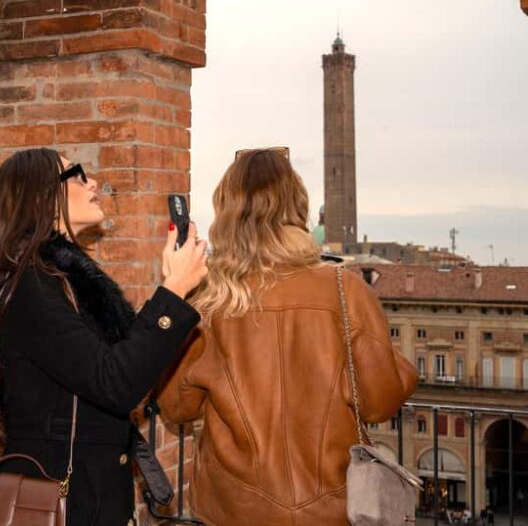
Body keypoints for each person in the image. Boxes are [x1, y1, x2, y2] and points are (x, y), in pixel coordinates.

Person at [157, 148, 419, 526]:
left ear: (226, 213)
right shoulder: (345, 289)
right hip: (331, 507)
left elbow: (178, 408)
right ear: (297, 206)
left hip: (233, 508)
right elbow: (381, 402)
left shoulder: (209, 298)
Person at [0, 148, 208, 526]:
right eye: (77, 175)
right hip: (59, 502)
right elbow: (117, 383)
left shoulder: (64, 282)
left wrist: (171, 285)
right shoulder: (32, 288)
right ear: (41, 198)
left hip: (86, 496)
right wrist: (174, 291)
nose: (93, 181)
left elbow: (122, 365)